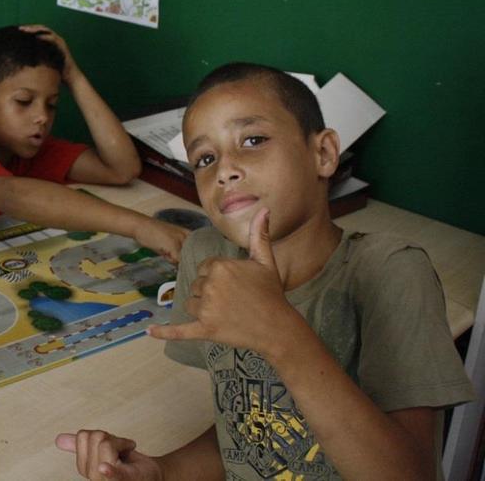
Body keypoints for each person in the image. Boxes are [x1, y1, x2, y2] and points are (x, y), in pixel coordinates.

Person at [55, 62, 474, 480]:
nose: (224, 170)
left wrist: (279, 332)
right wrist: (161, 472)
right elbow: (248, 433)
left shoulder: (390, 271)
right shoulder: (206, 258)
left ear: (323, 153)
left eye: (252, 140)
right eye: (204, 158)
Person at [0, 24, 186, 261]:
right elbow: (10, 194)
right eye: (24, 101)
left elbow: (122, 169)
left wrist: (75, 77)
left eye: (52, 104)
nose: (42, 117)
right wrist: (139, 225)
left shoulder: (28, 148)